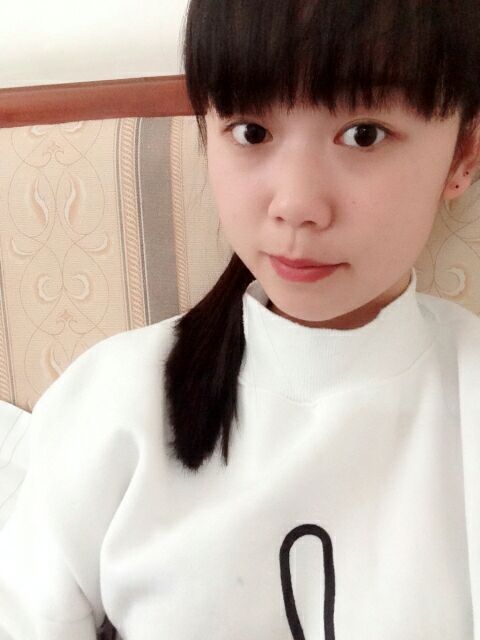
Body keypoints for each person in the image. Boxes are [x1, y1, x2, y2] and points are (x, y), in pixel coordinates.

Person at [1, 0, 480, 638]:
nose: (296, 204)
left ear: (464, 153)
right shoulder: (113, 400)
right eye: (252, 132)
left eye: (363, 134)